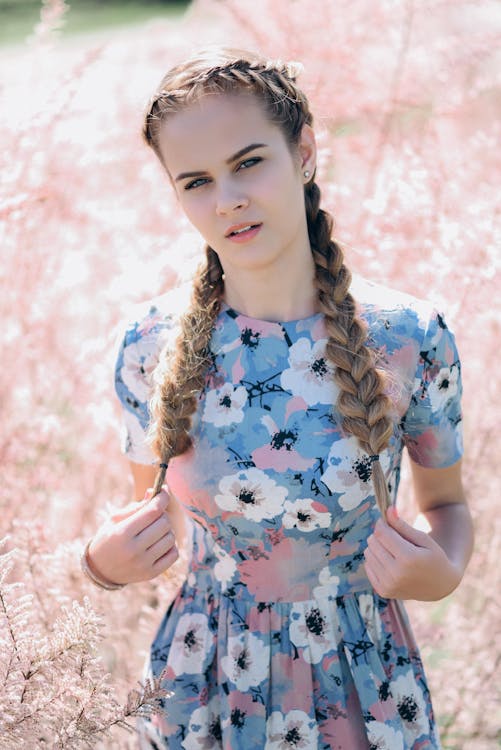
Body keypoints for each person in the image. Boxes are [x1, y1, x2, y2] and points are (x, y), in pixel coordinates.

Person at [81, 47, 474, 749]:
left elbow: (445, 505)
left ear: (305, 153)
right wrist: (102, 564)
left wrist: (440, 573)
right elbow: (150, 523)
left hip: (362, 684)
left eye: (248, 162)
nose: (227, 198)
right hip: (203, 685)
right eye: (196, 180)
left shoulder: (408, 337)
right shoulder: (150, 343)